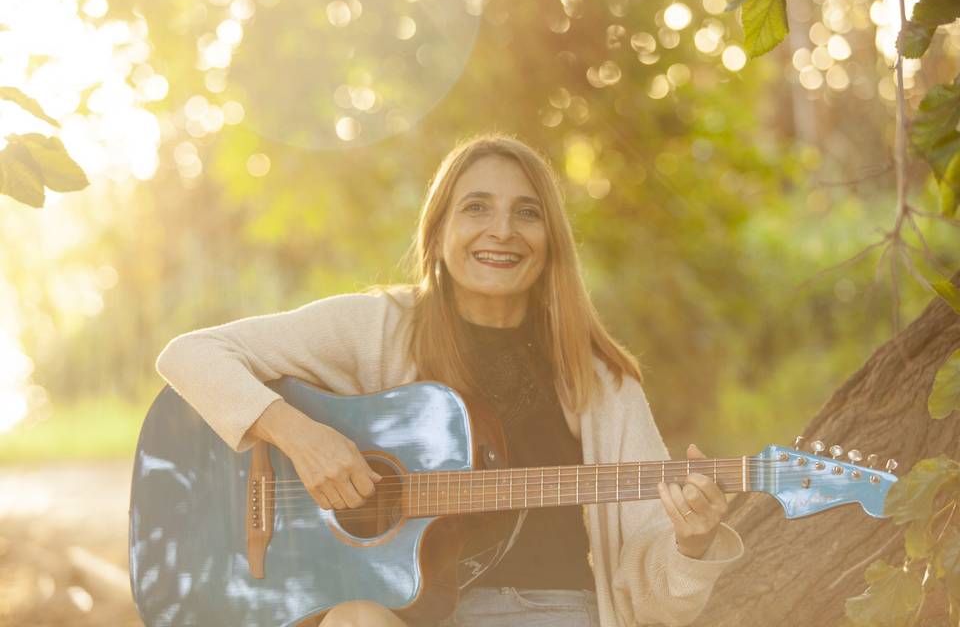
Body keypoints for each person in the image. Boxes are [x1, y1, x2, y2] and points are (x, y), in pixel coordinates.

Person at [155, 133, 744, 627]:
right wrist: (300, 438)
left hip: (550, 611)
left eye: (527, 213)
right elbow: (190, 355)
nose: (503, 231)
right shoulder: (379, 327)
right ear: (437, 232)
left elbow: (654, 601)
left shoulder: (598, 381)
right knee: (354, 619)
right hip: (402, 616)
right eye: (477, 207)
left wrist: (690, 545)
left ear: (551, 243)